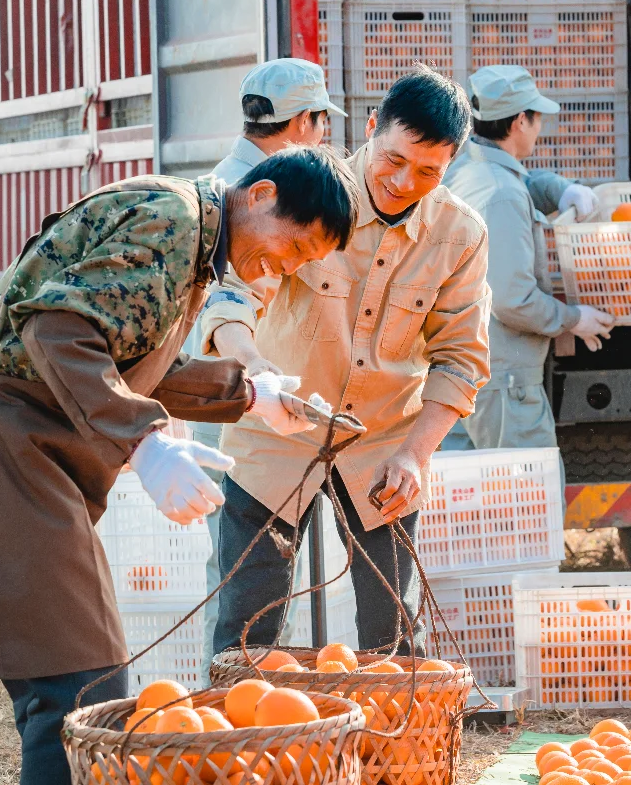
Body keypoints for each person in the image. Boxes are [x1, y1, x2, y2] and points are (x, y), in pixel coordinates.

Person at [0, 146, 359, 784]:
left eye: (303, 264)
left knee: (79, 670)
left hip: (32, 440)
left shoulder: (195, 244)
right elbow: (58, 331)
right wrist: (147, 442)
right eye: (295, 247)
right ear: (262, 194)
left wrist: (252, 395)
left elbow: (137, 360)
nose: (283, 268)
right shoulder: (174, 221)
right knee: (74, 676)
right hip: (7, 434)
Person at [202, 65, 491, 658]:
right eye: (393, 159)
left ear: (452, 164)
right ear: (369, 129)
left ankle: (394, 749)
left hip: (384, 443)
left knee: (393, 630)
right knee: (247, 624)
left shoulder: (461, 234)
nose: (405, 182)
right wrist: (255, 369)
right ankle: (244, 744)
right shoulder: (311, 189)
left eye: (429, 172)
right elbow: (232, 298)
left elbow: (460, 360)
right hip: (279, 432)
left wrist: (416, 453)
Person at [195, 58, 346, 678]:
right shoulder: (261, 202)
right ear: (306, 120)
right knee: (246, 578)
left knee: (233, 568)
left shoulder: (224, 181)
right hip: (247, 404)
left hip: (241, 397)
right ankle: (234, 704)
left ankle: (237, 696)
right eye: (321, 122)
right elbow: (229, 306)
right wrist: (259, 374)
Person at [442, 65, 615, 451]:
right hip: (504, 379)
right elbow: (512, 299)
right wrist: (572, 319)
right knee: (522, 498)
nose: (538, 128)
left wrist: (559, 190)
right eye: (536, 118)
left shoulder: (468, 168)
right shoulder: (501, 194)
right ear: (521, 121)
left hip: (466, 365)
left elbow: (519, 187)